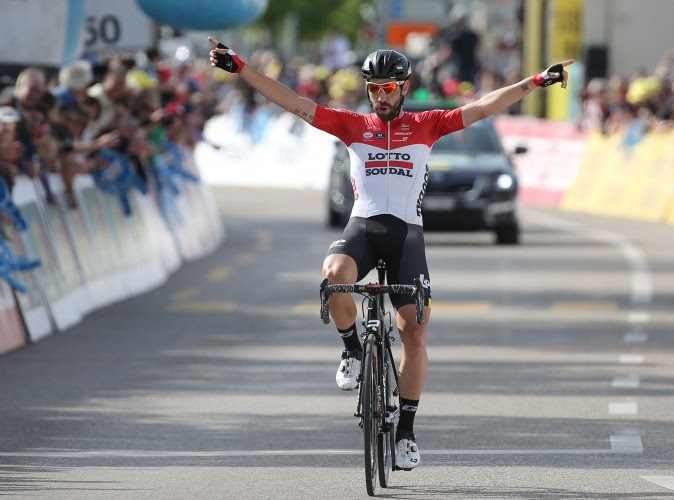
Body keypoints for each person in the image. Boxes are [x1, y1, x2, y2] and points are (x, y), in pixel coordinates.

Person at [208, 36, 572, 470]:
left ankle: (406, 431)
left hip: (406, 238)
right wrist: (242, 68)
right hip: (362, 227)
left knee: (413, 332)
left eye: (389, 88)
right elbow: (292, 101)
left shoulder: (428, 125)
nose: (381, 95)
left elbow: (485, 106)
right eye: (374, 88)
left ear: (404, 88)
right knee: (333, 277)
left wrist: (534, 81)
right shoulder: (350, 126)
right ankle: (354, 350)